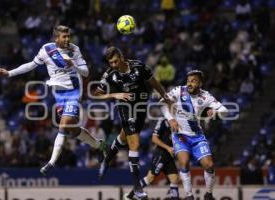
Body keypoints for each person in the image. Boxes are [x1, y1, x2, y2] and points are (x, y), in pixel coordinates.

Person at [0, 25, 106, 175]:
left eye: (68, 36)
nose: (67, 39)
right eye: (64, 37)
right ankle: (98, 146)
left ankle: (51, 162)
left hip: (74, 91)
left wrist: (73, 65)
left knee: (63, 124)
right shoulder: (46, 50)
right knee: (71, 129)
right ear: (56, 38)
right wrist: (10, 73)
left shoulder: (74, 50)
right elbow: (31, 65)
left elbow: (86, 73)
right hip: (59, 94)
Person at [93, 46, 171, 200]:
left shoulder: (139, 66)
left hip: (141, 107)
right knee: (134, 144)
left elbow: (154, 82)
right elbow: (97, 94)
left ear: (122, 57)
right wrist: (116, 94)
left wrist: (165, 96)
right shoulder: (109, 74)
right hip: (124, 107)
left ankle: (106, 161)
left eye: (116, 61)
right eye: (111, 63)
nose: (114, 65)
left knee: (123, 137)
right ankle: (137, 187)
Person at [161, 70, 228, 200]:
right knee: (184, 162)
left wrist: (215, 112)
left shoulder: (206, 96)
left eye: (193, 81)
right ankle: (189, 196)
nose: (189, 84)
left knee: (209, 165)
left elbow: (224, 110)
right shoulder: (179, 90)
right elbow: (162, 103)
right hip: (180, 135)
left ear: (200, 83)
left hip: (197, 136)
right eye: (188, 81)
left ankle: (208, 194)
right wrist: (171, 119)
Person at [124, 118, 180, 200]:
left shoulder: (180, 120)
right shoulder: (163, 121)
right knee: (150, 178)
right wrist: (168, 148)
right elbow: (154, 139)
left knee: (174, 179)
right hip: (161, 154)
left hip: (169, 156)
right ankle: (130, 196)